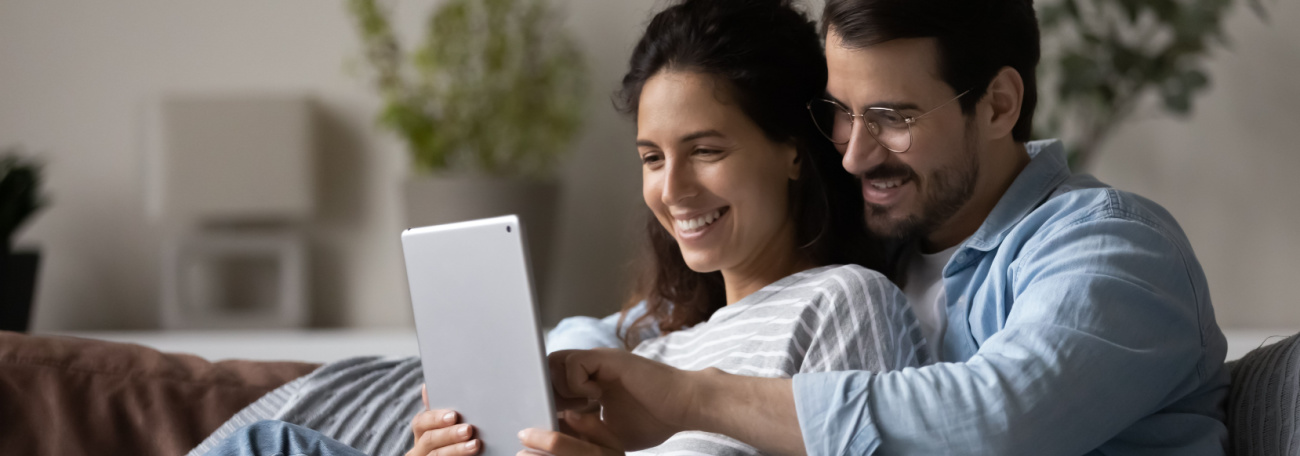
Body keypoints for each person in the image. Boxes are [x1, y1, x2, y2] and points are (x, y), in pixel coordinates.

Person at [195, 1, 927, 455]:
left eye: (706, 150)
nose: (672, 191)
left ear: (794, 153)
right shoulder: (651, 342)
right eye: (651, 158)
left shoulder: (844, 302)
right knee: (272, 445)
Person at [542, 0, 1231, 454]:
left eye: (894, 118)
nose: (852, 151)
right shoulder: (883, 245)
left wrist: (695, 400)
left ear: (998, 104)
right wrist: (556, 376)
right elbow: (626, 332)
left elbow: (995, 422)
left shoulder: (1109, 248)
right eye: (842, 112)